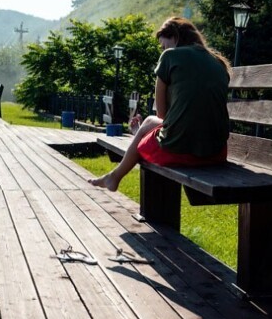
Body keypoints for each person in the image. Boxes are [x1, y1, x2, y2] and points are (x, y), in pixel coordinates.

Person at [89, 17, 231, 192]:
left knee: (149, 121)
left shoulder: (170, 56)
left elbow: (163, 114)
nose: (163, 50)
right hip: (216, 152)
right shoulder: (218, 62)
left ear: (175, 37)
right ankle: (120, 166)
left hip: (180, 150)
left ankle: (116, 175)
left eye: (164, 46)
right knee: (149, 123)